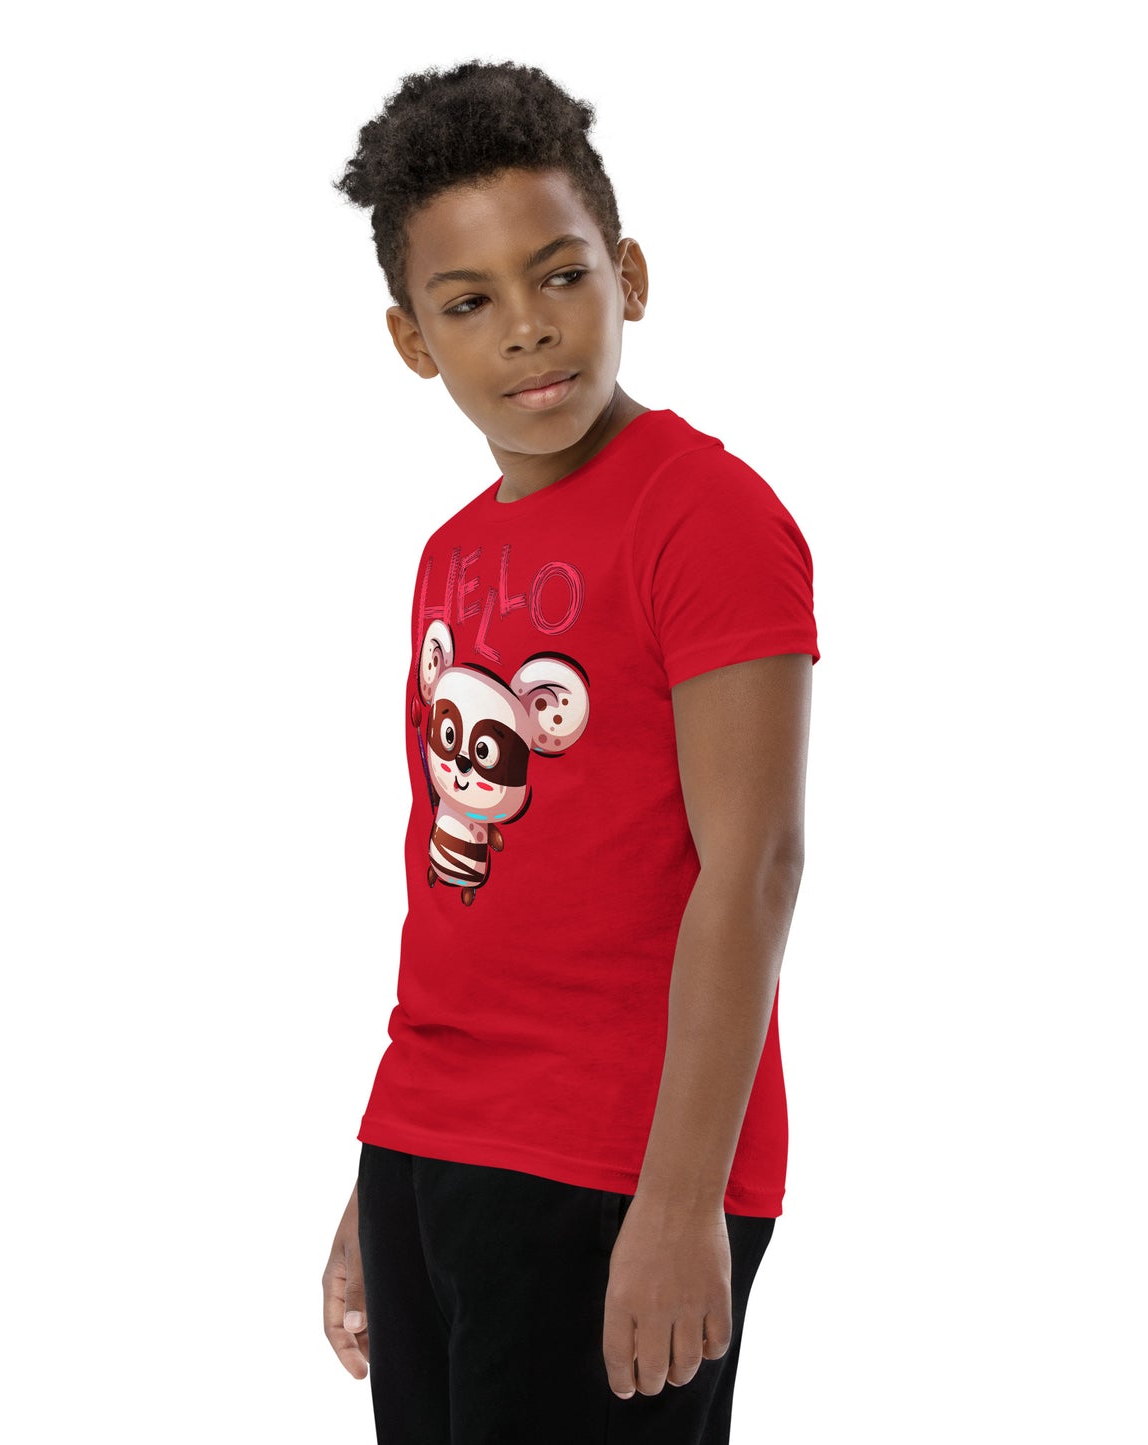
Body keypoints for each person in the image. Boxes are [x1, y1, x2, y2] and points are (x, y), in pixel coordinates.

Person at [322, 59, 819, 1445]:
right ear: (412, 339)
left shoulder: (703, 515)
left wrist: (680, 1200)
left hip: (614, 1161)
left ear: (628, 276)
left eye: (559, 276)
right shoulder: (451, 555)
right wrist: (383, 1170)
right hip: (433, 1142)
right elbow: (458, 890)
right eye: (469, 302)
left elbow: (755, 865)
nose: (529, 329)